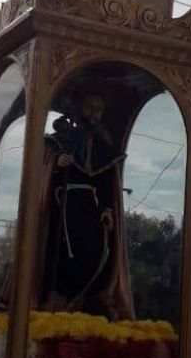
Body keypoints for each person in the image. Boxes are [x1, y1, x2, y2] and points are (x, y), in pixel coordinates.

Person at [37, 84, 134, 320]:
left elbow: (105, 181)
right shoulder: (60, 139)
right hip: (63, 206)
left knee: (99, 251)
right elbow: (42, 169)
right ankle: (57, 307)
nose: (94, 114)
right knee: (62, 256)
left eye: (99, 110)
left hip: (90, 207)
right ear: (78, 107)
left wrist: (108, 209)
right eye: (90, 107)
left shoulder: (103, 145)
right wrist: (57, 163)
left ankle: (86, 306)